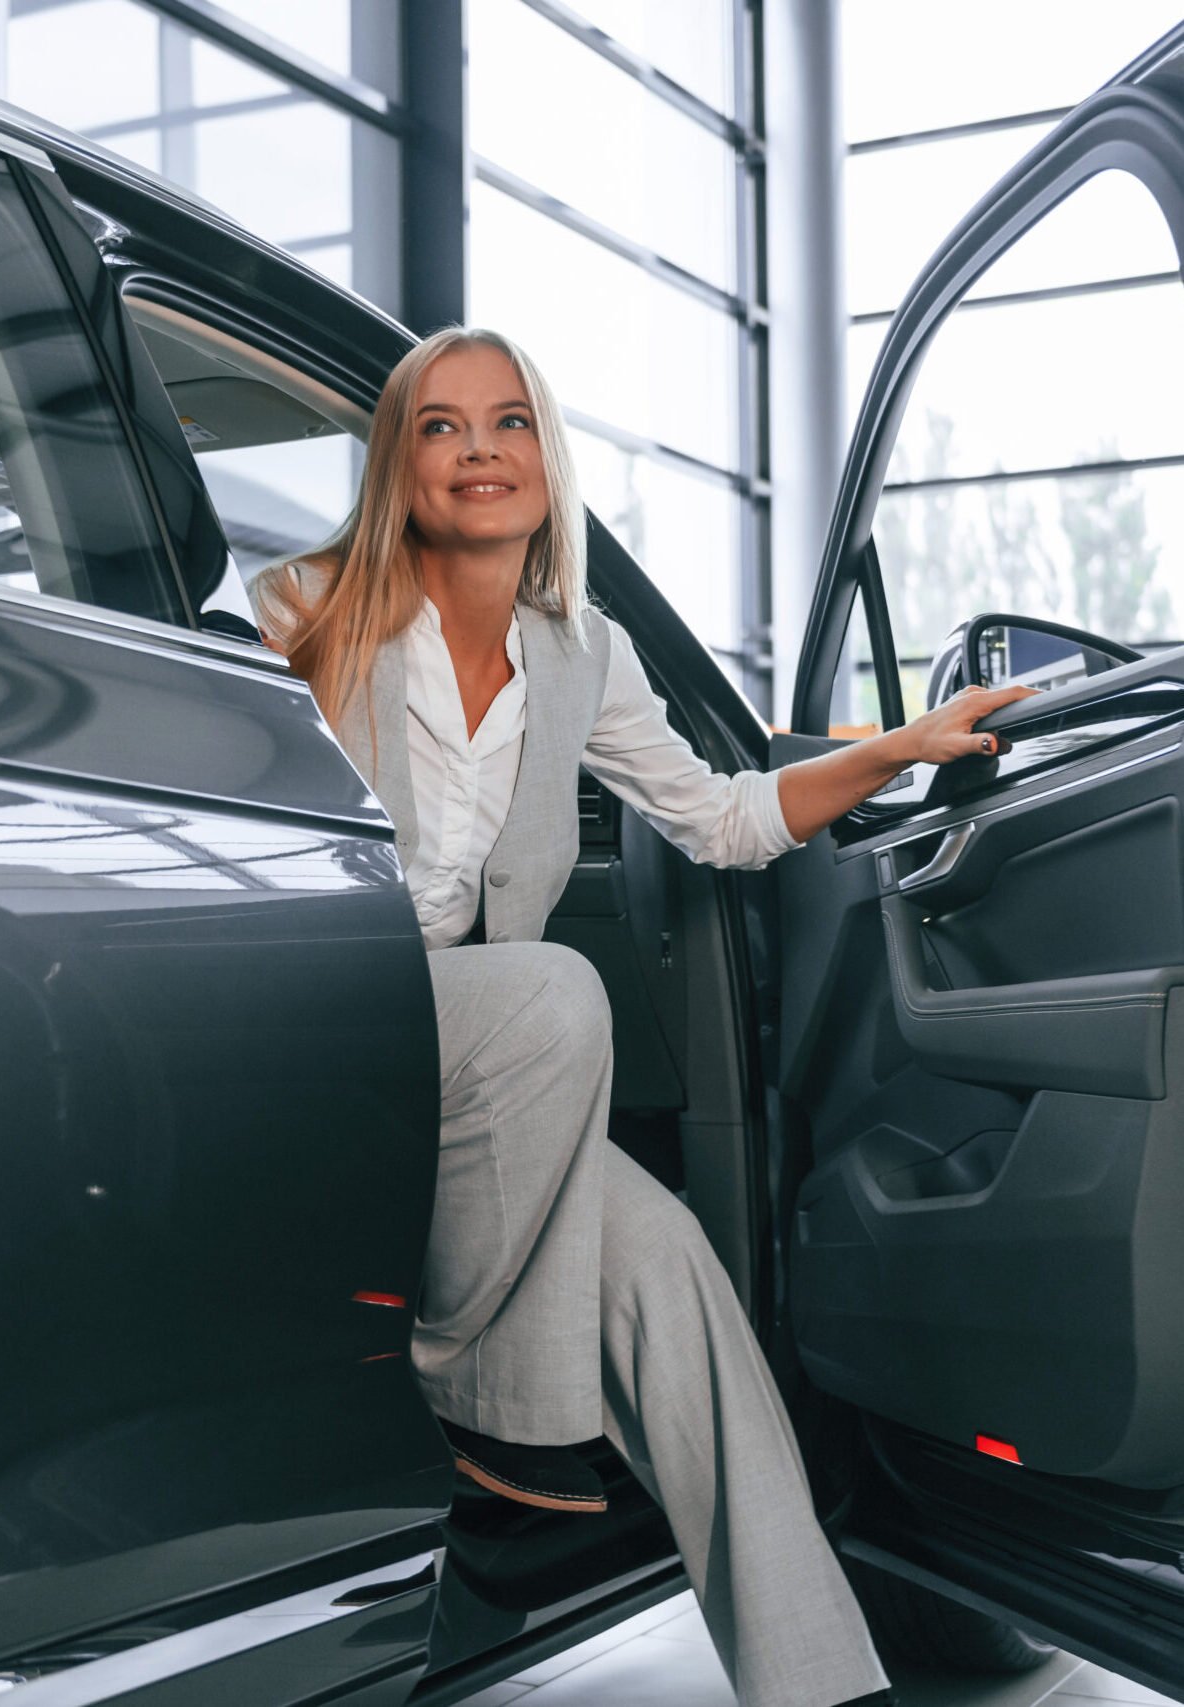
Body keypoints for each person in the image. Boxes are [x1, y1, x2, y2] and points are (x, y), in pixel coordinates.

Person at [252, 326, 1033, 1707]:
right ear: (397, 463)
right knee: (556, 991)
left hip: (467, 1054)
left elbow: (724, 820)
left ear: (546, 463)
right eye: (439, 427)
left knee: (674, 1275)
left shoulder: (581, 653)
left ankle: (821, 1691)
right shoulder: (300, 610)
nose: (478, 449)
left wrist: (895, 750)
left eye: (507, 423)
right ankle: (494, 1404)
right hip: (324, 1019)